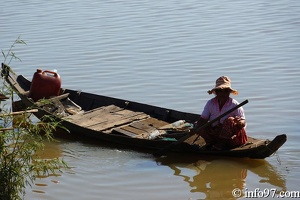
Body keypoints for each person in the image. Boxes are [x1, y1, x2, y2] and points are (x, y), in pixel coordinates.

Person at [194, 76, 248, 150]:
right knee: (197, 124)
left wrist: (239, 122)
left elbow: (243, 123)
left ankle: (221, 145)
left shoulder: (235, 105)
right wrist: (195, 129)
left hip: (232, 138)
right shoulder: (210, 103)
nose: (223, 93)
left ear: (229, 92)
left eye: (226, 91)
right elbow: (203, 119)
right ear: (216, 92)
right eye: (220, 91)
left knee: (229, 120)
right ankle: (210, 142)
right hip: (217, 134)